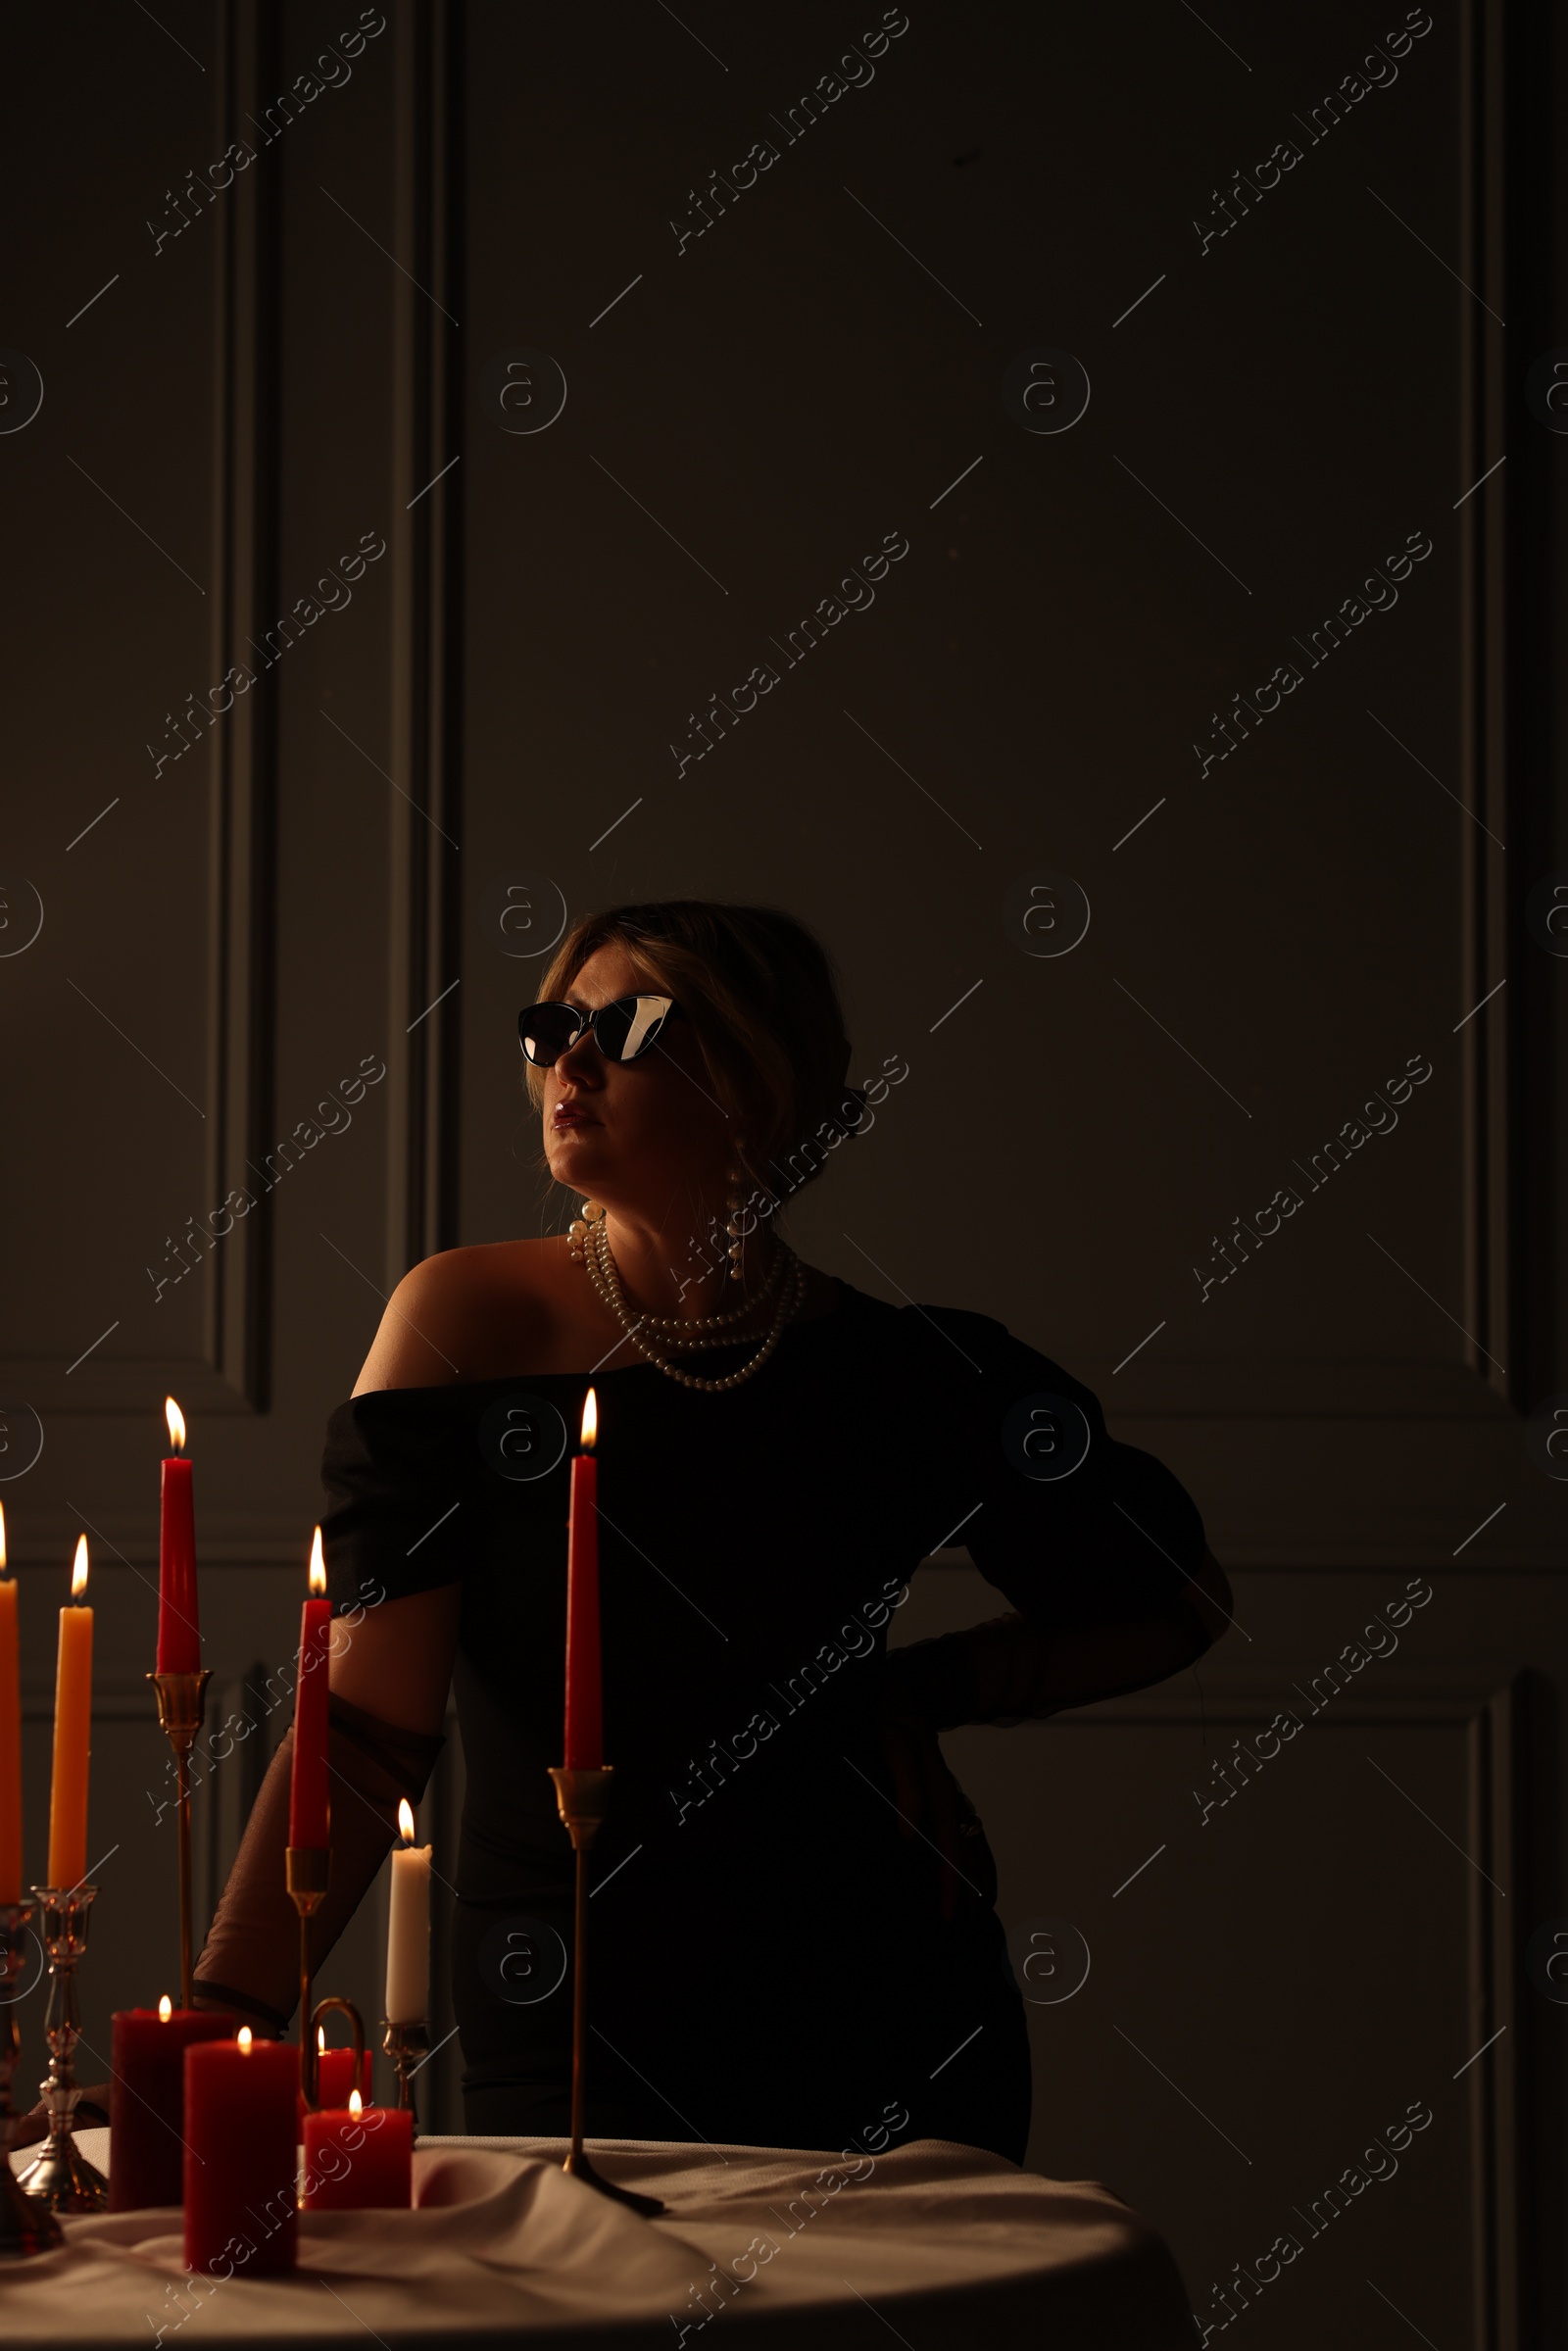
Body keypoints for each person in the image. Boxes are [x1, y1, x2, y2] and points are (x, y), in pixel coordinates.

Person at [189, 899, 1231, 2164]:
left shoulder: (904, 1378)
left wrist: (925, 1690)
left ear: (754, 1074)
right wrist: (220, 2022)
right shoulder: (464, 1327)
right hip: (570, 2020)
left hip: (883, 2012)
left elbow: (1177, 1598)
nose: (566, 1063)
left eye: (622, 1026)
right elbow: (363, 1731)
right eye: (547, 1029)